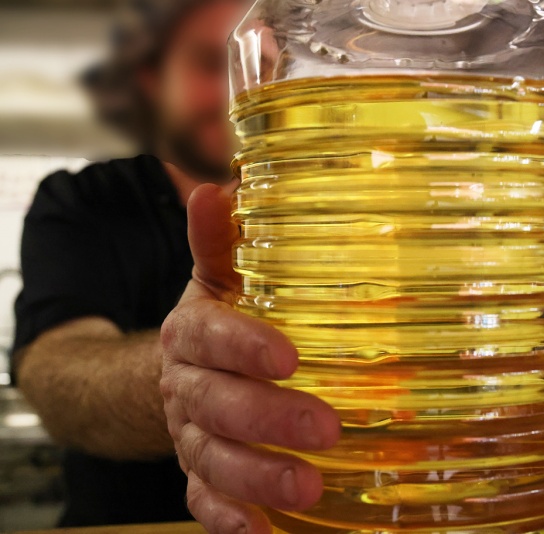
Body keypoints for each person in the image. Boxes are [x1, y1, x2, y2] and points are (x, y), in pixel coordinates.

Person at [13, 0, 340, 531]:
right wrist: (184, 375)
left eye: (264, 70)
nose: (244, 94)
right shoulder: (83, 201)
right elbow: (54, 370)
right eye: (213, 65)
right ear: (151, 82)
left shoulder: (331, 207)